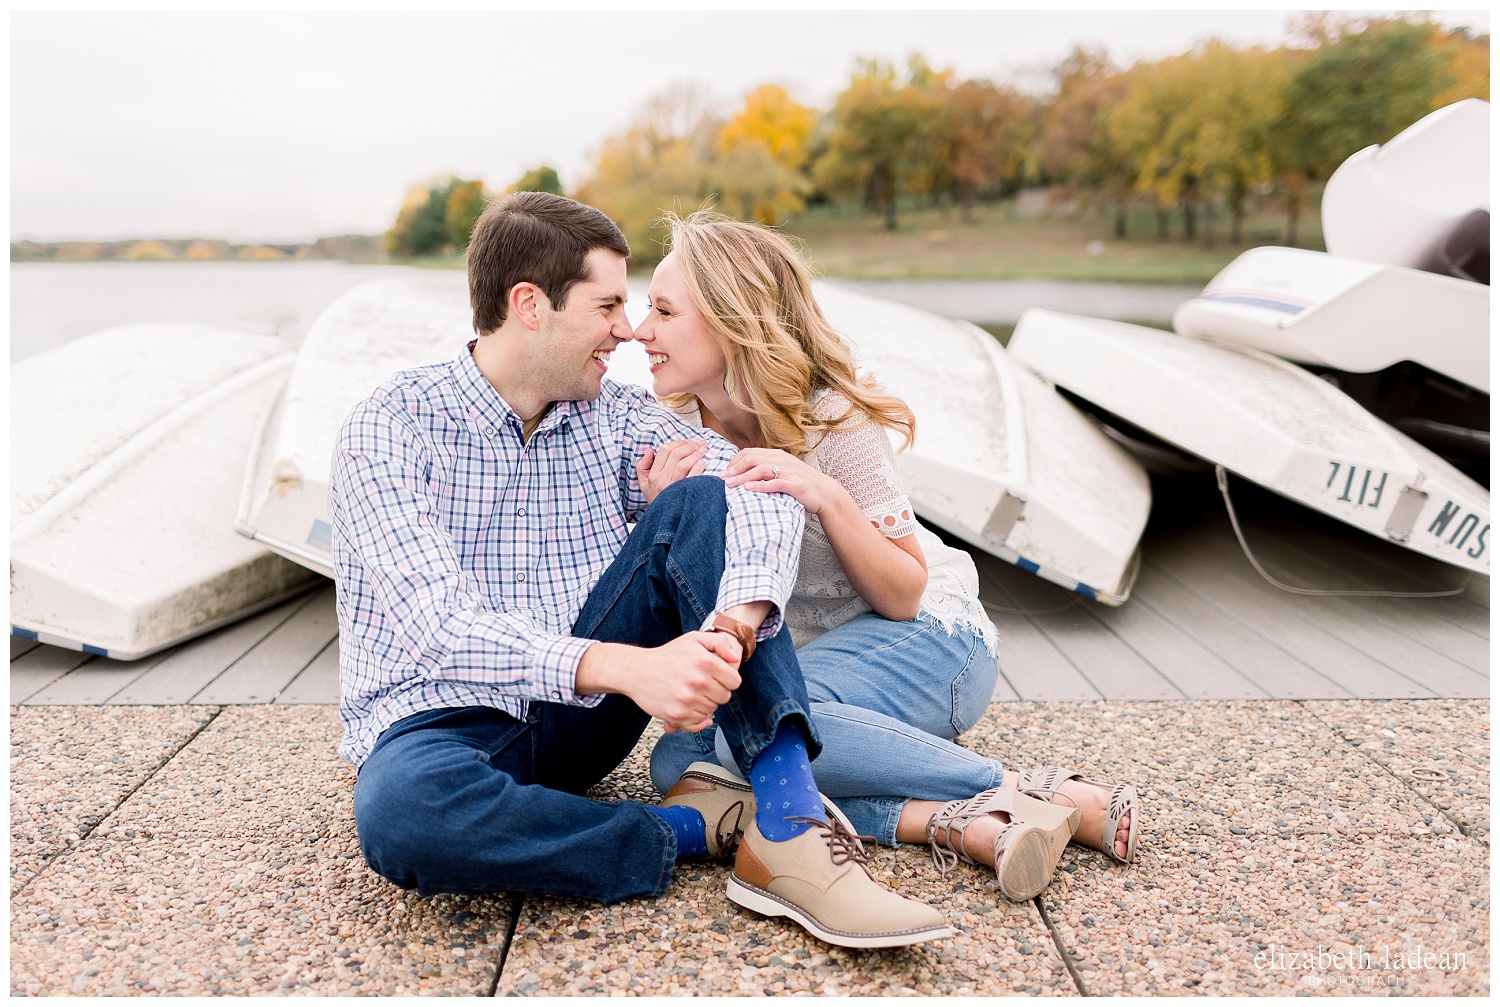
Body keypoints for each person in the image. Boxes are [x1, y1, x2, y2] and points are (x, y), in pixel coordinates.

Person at [329, 192, 951, 949]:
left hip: (580, 719)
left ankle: (792, 824)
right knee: (402, 813)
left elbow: (761, 490)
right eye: (607, 305)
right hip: (443, 724)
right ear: (530, 304)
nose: (627, 330)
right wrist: (632, 667)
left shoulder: (615, 415)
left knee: (700, 499)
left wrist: (733, 621)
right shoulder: (390, 429)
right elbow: (437, 627)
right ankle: (694, 830)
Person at [638, 212, 1139, 895]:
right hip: (811, 665)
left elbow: (905, 592)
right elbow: (706, 615)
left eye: (664, 311)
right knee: (676, 761)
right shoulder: (672, 436)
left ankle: (1032, 789)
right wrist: (666, 511)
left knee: (743, 745)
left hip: (931, 638)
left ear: (731, 319)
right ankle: (962, 822)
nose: (642, 330)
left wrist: (827, 497)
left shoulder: (833, 416)